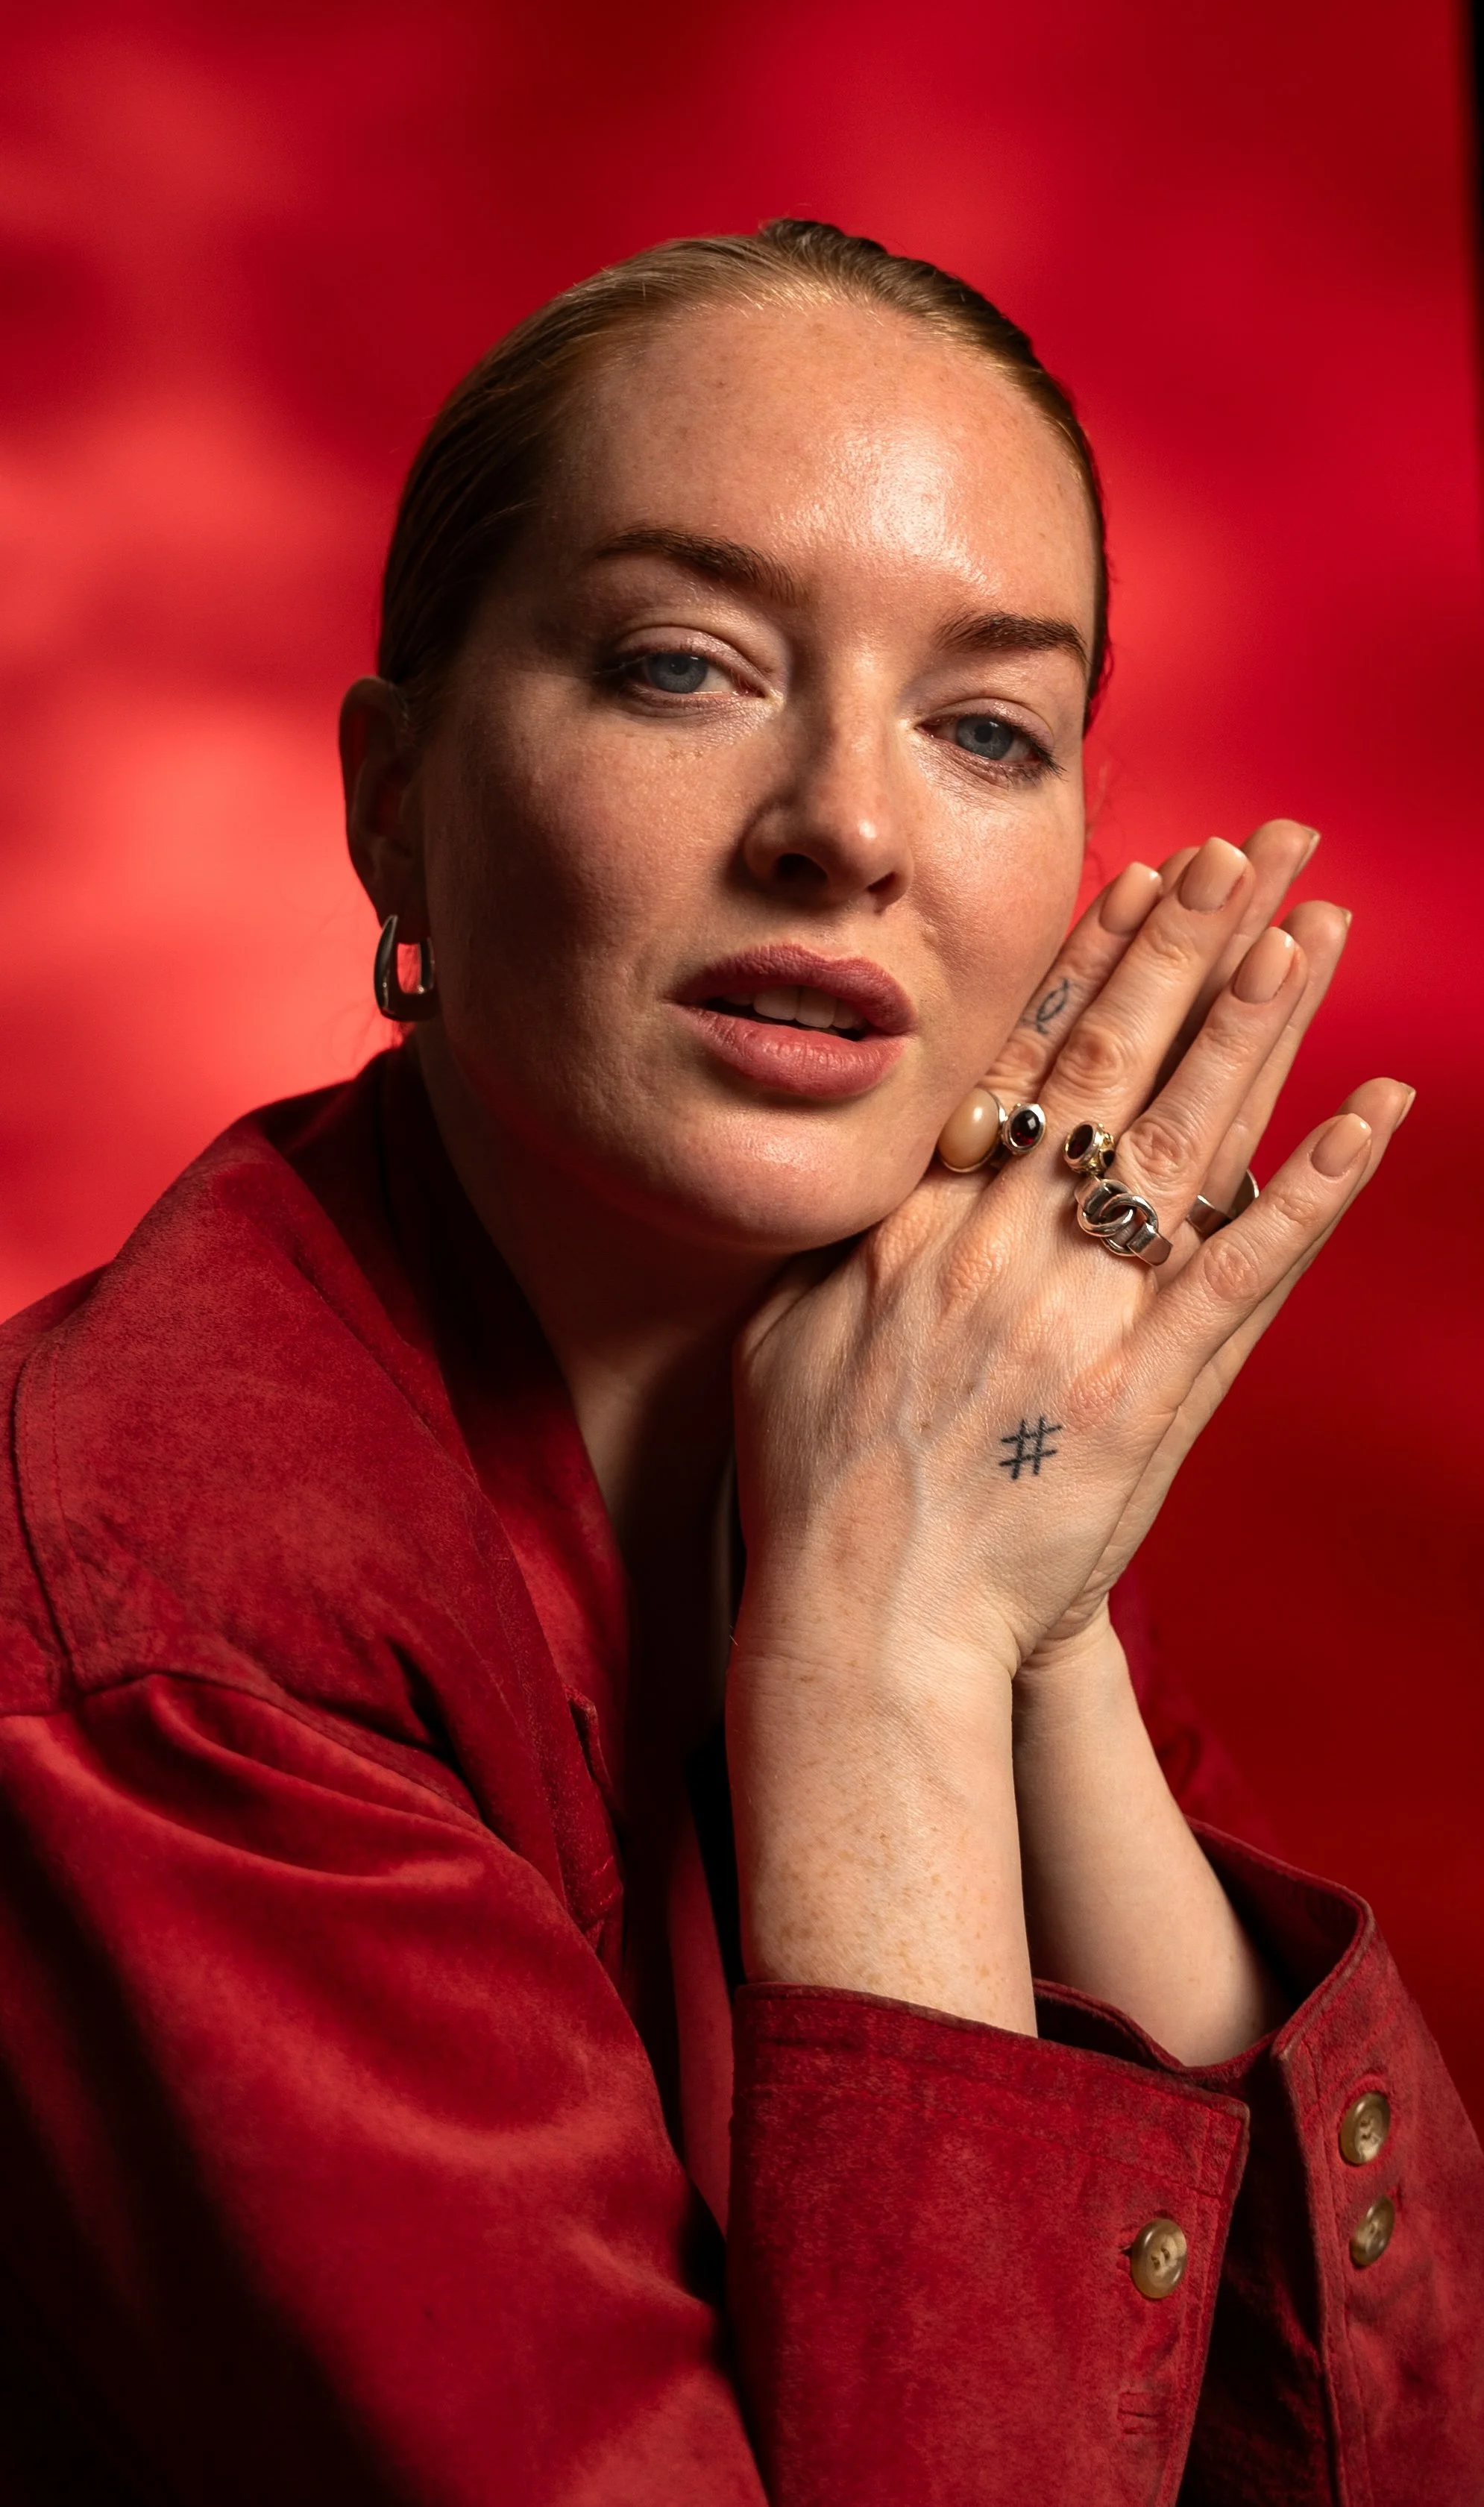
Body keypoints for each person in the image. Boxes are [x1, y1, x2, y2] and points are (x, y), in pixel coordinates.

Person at [0, 218, 1477, 2507]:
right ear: (396, 795)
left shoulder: (901, 1411)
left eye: (985, 727)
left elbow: (1389, 2450)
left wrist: (1033, 1631)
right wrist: (879, 1661)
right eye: (684, 667)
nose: (850, 833)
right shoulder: (150, 1650)